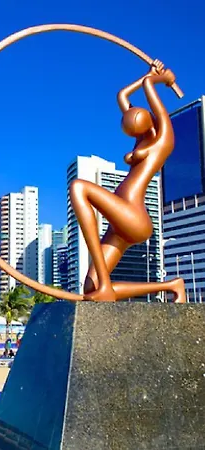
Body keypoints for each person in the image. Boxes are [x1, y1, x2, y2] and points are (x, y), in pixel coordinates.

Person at [69, 60, 185, 303]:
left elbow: (149, 89)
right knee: (90, 289)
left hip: (133, 215)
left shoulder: (163, 142)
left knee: (79, 187)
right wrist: (148, 73)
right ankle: (172, 286)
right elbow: (122, 95)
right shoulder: (140, 140)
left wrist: (159, 79)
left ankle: (104, 281)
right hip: (119, 222)